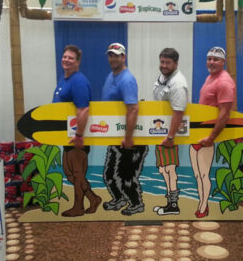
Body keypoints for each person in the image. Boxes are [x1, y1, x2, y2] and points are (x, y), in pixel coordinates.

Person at [52, 44, 101, 217]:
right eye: (65, 56)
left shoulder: (79, 81)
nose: (66, 60)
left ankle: (78, 207)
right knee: (70, 173)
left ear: (78, 62)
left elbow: (83, 110)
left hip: (77, 136)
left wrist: (79, 135)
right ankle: (93, 198)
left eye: (70, 58)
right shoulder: (64, 77)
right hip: (66, 135)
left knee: (78, 173)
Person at [101, 43, 149, 216]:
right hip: (114, 137)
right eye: (111, 55)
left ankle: (136, 204)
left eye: (117, 55)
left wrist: (128, 138)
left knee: (125, 177)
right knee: (109, 176)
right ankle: (119, 199)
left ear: (124, 57)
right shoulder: (111, 76)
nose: (113, 58)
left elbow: (133, 109)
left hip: (130, 140)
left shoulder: (127, 79)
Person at [190, 46, 236, 218]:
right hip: (198, 134)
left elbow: (224, 114)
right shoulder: (211, 77)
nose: (211, 62)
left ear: (223, 62)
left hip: (209, 137)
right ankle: (202, 203)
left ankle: (204, 207)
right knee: (197, 174)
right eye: (209, 58)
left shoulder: (224, 82)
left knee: (203, 175)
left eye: (216, 59)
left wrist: (211, 138)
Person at [153, 48, 189, 215]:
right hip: (160, 133)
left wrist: (170, 137)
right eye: (162, 62)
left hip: (171, 135)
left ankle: (173, 205)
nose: (164, 65)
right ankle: (169, 202)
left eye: (168, 63)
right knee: (163, 169)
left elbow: (178, 112)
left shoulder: (178, 83)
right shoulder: (163, 78)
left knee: (170, 169)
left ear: (176, 63)